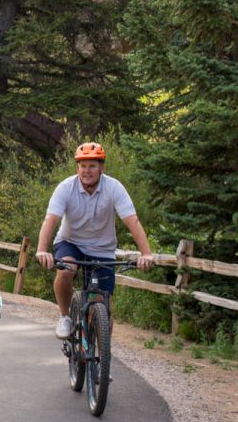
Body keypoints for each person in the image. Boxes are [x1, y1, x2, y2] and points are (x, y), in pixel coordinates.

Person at [34, 142, 155, 340]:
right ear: (77, 168)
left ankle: (101, 359)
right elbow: (51, 219)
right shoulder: (66, 187)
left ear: (101, 168)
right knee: (66, 270)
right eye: (83, 166)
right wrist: (41, 250)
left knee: (103, 304)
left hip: (102, 249)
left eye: (92, 166)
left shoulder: (114, 187)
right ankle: (65, 316)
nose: (87, 171)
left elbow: (132, 221)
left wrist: (146, 253)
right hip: (70, 242)